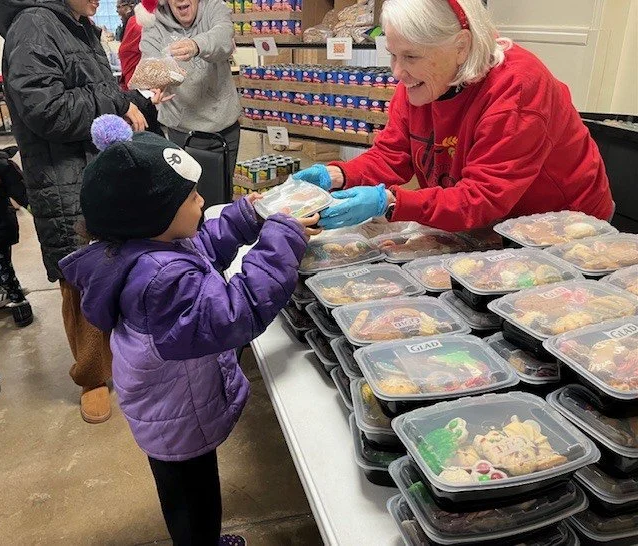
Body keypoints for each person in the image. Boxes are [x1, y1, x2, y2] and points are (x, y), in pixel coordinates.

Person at [59, 114, 319, 546]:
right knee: (194, 504)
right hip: (176, 418)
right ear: (155, 215)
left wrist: (247, 216)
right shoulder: (158, 280)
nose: (202, 200)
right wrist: (281, 240)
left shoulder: (149, 246)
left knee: (194, 496)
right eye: (192, 195)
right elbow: (235, 313)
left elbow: (202, 246)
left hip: (175, 404)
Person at [295, 0, 614, 232]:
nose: (397, 72)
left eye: (411, 56)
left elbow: (483, 198)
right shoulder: (420, 84)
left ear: (461, 47)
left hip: (563, 225)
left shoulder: (516, 90)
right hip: (488, 222)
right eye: (392, 55)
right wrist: (337, 175)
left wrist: (391, 202)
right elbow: (392, 155)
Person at [0, 0, 171, 423]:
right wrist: (114, 103)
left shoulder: (78, 25)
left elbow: (96, 101)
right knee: (81, 280)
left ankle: (124, 359)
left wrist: (138, 102)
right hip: (65, 181)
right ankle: (91, 376)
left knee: (117, 267)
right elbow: (46, 110)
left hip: (97, 171)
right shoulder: (33, 25)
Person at [136, 0, 242, 197]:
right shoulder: (154, 22)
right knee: (186, 198)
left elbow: (224, 37)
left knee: (220, 197)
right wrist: (154, 80)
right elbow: (148, 61)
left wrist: (196, 45)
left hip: (224, 128)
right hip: (181, 131)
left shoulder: (213, 7)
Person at [0, 146, 32, 328]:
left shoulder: (2, 165)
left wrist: (33, 208)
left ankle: (18, 299)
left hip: (0, 228)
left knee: (4, 267)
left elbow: (21, 192)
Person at [117, 0, 142, 90]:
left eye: (119, 7)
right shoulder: (133, 22)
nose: (117, 11)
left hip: (137, 83)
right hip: (136, 83)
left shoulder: (136, 23)